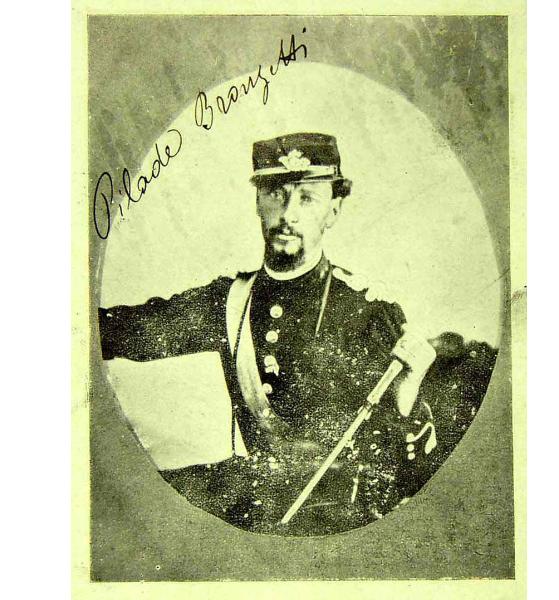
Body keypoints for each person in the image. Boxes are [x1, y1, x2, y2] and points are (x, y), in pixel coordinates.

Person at [98, 132, 483, 536]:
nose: (289, 214)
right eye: (276, 195)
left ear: (333, 210)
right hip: (262, 500)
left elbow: (407, 470)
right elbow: (121, 331)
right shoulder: (228, 302)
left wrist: (409, 387)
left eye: (307, 199)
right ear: (258, 202)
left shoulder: (369, 312)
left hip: (343, 516)